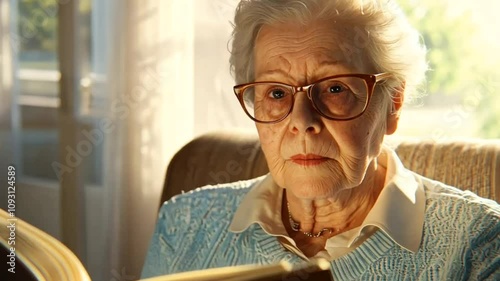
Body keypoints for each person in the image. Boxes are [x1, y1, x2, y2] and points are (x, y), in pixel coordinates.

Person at [141, 0, 500, 279]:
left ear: (392, 104)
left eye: (334, 88)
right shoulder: (184, 224)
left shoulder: (478, 243)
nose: (302, 121)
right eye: (277, 93)